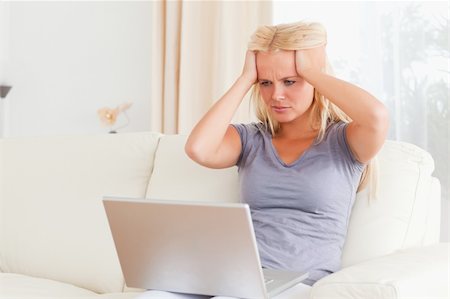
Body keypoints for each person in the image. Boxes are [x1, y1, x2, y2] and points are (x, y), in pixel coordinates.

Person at [138, 20, 388, 298]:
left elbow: (376, 116)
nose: (276, 95)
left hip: (298, 285)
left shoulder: (345, 141)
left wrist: (310, 71)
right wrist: (246, 78)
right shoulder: (251, 139)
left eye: (290, 81)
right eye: (266, 83)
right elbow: (199, 149)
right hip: (232, 275)